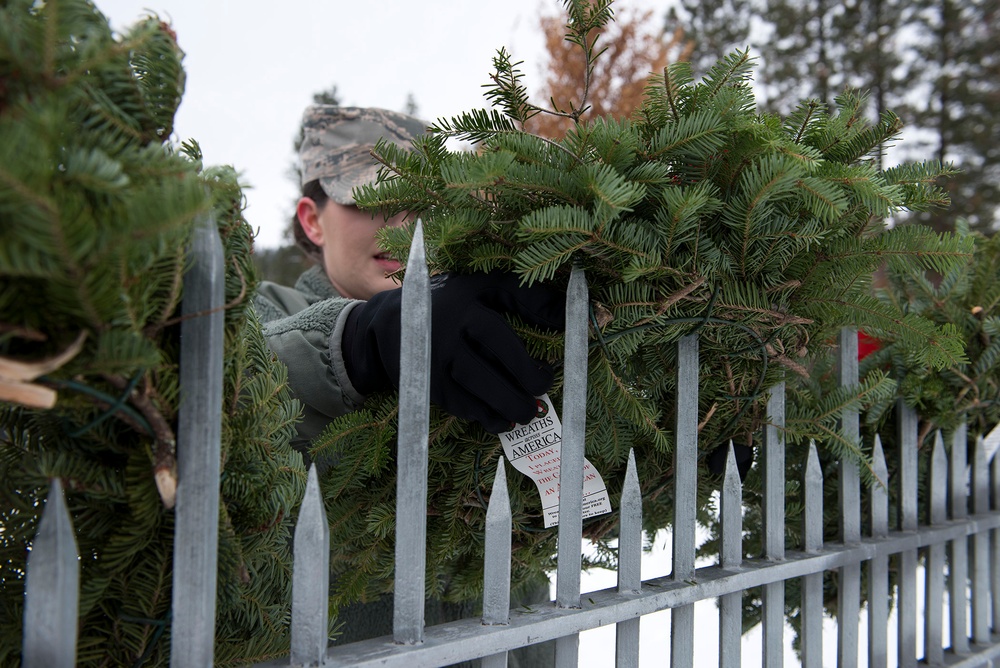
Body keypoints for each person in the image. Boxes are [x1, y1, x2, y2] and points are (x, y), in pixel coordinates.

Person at [253, 105, 560, 662]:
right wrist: (360, 344)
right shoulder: (257, 313)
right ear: (312, 218)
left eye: (422, 205)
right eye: (372, 201)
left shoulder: (487, 340)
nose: (401, 225)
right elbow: (233, 377)